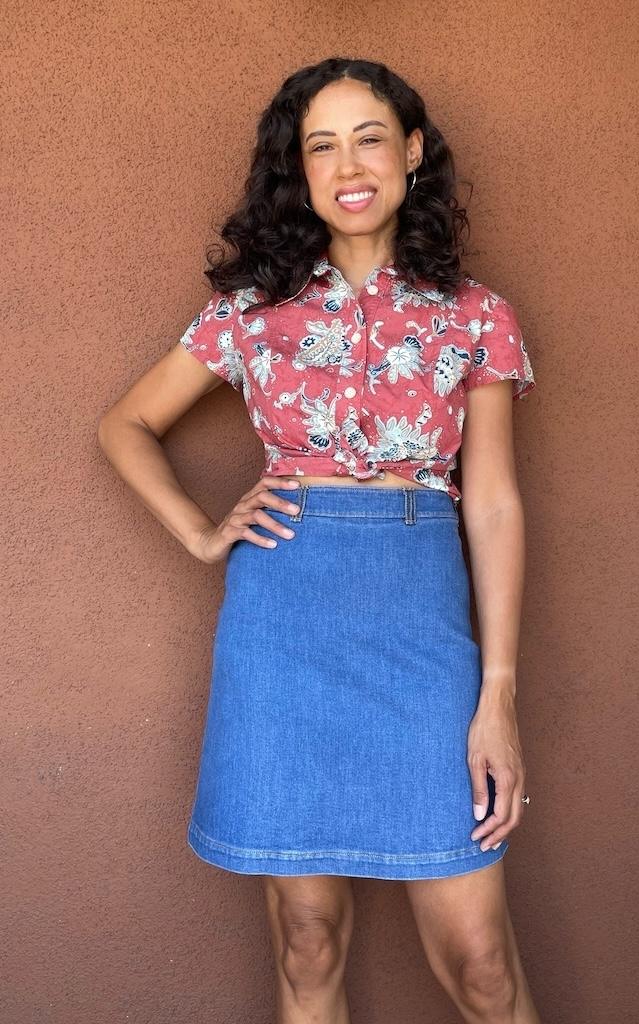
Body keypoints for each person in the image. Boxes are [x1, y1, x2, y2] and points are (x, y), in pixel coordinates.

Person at [98, 57, 541, 1024]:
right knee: (308, 942)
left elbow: (496, 505)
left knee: (481, 964)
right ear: (297, 171)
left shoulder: (477, 317)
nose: (349, 163)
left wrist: (496, 694)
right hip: (283, 627)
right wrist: (203, 532)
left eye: (370, 136)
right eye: (321, 144)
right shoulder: (252, 314)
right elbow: (123, 426)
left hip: (422, 633)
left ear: (413, 152)